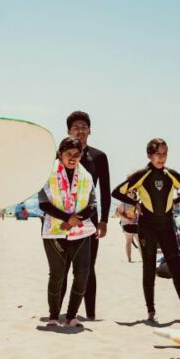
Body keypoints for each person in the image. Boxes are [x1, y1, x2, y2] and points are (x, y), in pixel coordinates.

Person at [112, 138, 180, 321]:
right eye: (158, 154)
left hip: (166, 226)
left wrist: (177, 200)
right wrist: (135, 203)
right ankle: (151, 311)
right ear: (149, 155)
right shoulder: (142, 174)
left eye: (165, 153)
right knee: (149, 268)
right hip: (148, 226)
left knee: (176, 268)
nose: (162, 157)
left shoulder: (171, 174)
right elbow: (116, 192)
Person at [39, 137, 96, 328]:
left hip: (80, 231)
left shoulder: (86, 176)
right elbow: (43, 203)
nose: (73, 158)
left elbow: (93, 204)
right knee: (57, 274)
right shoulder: (48, 173)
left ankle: (72, 316)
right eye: (68, 154)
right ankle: (54, 316)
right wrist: (66, 218)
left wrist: (75, 220)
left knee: (82, 273)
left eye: (76, 154)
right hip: (55, 230)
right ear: (60, 154)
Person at [64, 111, 110, 320]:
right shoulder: (60, 156)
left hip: (90, 218)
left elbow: (105, 191)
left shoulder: (99, 157)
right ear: (69, 131)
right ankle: (58, 311)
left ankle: (90, 313)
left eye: (84, 126)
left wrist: (104, 221)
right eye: (76, 127)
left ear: (90, 130)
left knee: (88, 267)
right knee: (62, 266)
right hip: (63, 219)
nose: (80, 130)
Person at [115, 188, 138, 262]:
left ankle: (144, 259)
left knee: (139, 241)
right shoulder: (123, 203)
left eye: (133, 192)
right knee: (128, 241)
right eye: (129, 192)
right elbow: (117, 214)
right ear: (126, 193)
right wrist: (128, 220)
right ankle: (129, 259)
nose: (131, 193)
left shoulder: (136, 203)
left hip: (136, 224)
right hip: (126, 224)